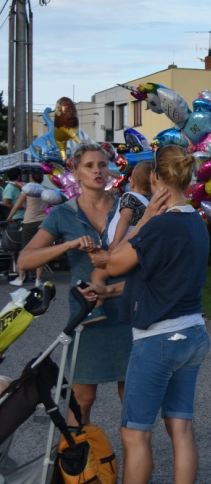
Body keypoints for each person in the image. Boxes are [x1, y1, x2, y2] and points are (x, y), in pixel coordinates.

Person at [69, 145, 211, 484]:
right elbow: (160, 278)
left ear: (155, 180)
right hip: (192, 333)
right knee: (181, 428)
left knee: (135, 434)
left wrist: (144, 218)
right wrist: (113, 291)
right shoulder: (196, 222)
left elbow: (111, 263)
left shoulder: (158, 225)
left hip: (158, 341)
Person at [19, 143, 131, 424]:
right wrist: (68, 245)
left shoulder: (126, 207)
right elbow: (25, 260)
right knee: (83, 397)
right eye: (89, 166)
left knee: (131, 395)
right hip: (87, 314)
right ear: (76, 171)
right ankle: (76, 451)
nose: (97, 171)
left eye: (102, 165)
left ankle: (134, 452)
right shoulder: (63, 214)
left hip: (129, 309)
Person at [85, 160, 152, 323]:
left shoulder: (129, 197)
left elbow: (125, 219)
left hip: (123, 246)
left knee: (97, 274)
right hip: (139, 249)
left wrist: (115, 242)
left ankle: (97, 308)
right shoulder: (151, 202)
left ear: (132, 182)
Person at [6, 169, 47, 287]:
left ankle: (20, 278)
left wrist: (9, 217)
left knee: (25, 250)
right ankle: (38, 279)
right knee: (41, 250)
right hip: (43, 222)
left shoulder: (27, 190)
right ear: (42, 179)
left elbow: (16, 206)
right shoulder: (45, 191)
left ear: (31, 178)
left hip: (29, 221)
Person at [3, 168, 24, 281]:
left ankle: (17, 270)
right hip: (15, 220)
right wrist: (19, 207)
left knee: (19, 247)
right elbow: (6, 203)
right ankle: (14, 270)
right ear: (18, 176)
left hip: (20, 218)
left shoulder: (17, 187)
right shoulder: (10, 188)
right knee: (15, 247)